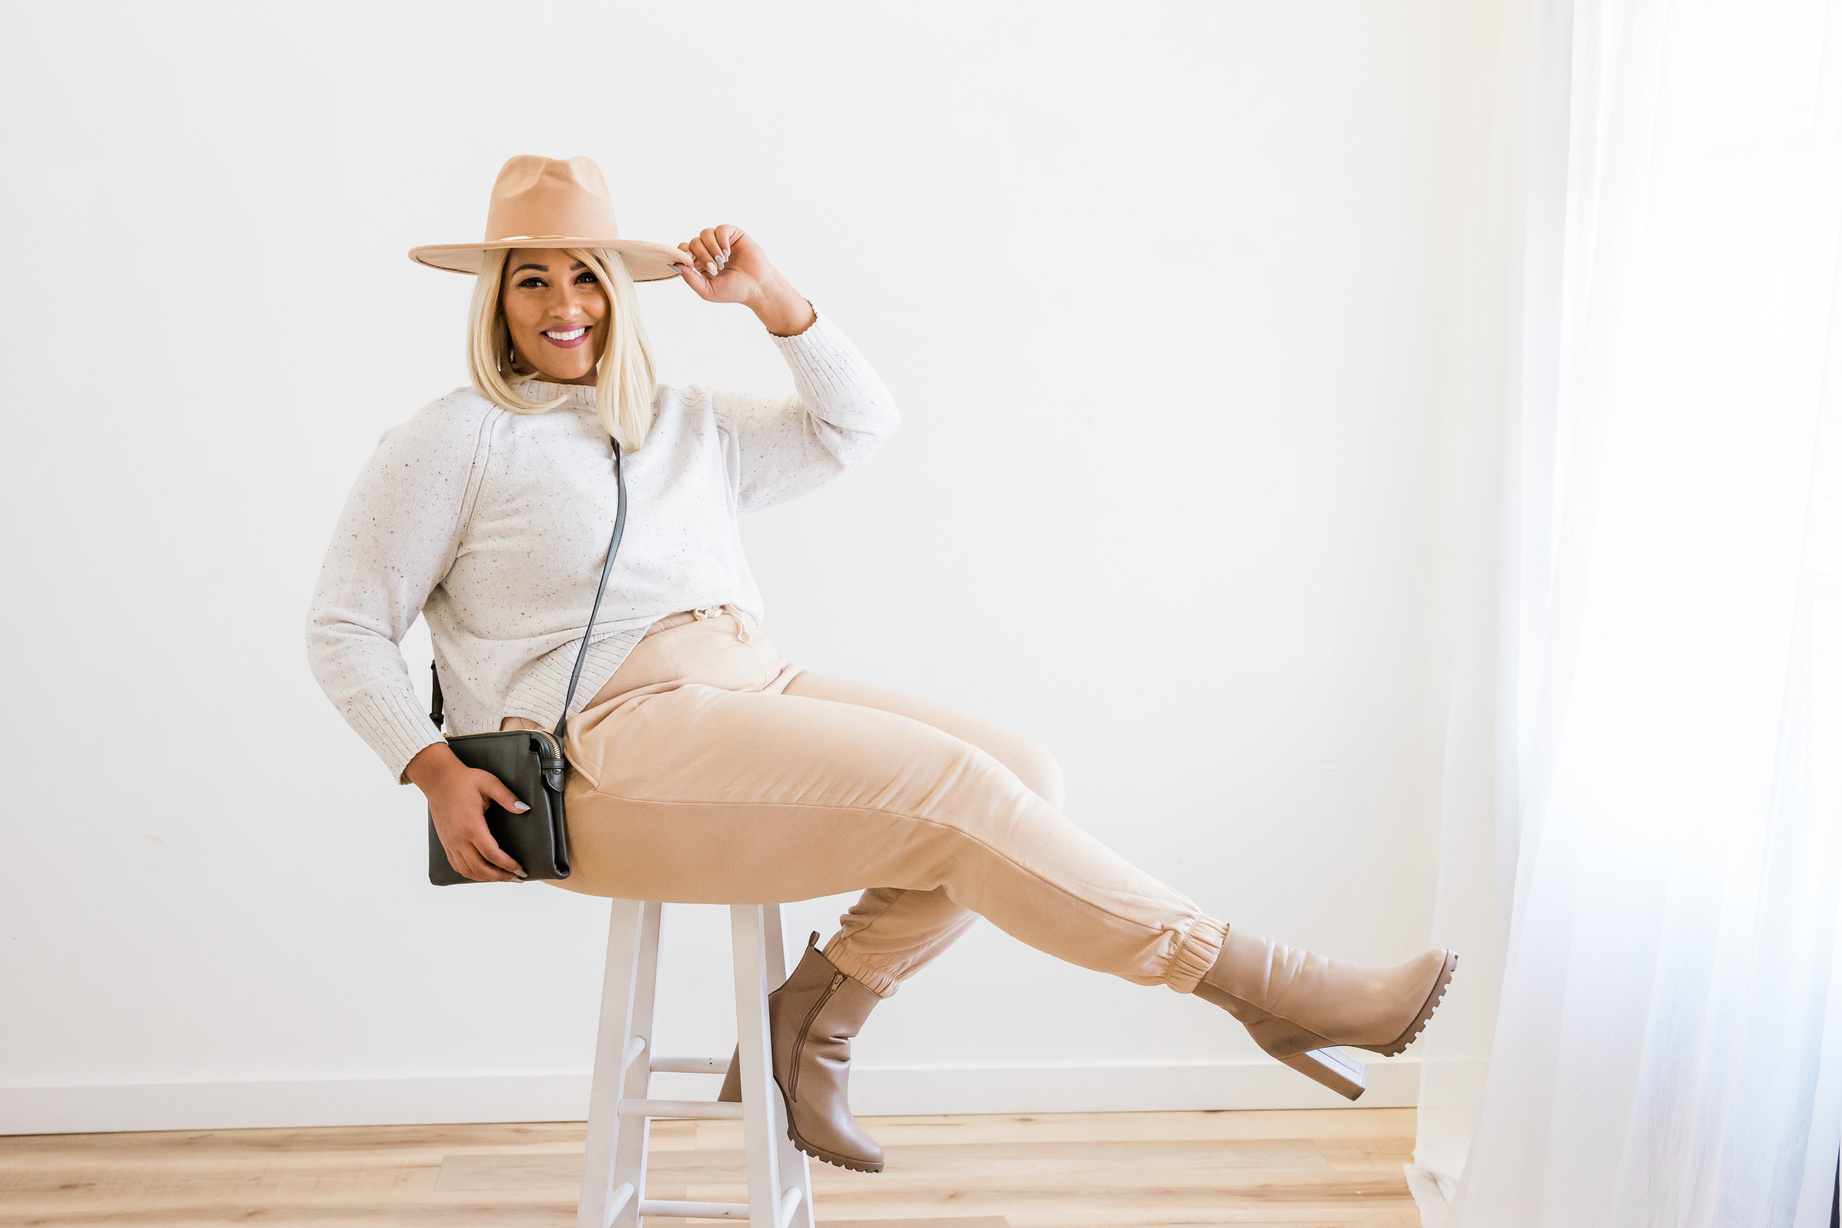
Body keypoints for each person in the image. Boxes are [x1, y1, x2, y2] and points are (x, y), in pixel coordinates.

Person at [305, 155, 1456, 1174]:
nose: (566, 305)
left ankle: (815, 1027)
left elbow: (857, 426)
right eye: (533, 279)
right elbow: (345, 625)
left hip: (747, 680)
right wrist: (429, 767)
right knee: (954, 798)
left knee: (1019, 768)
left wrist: (772, 298)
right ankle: (1264, 981)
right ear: (494, 300)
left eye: (588, 275)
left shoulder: (682, 419)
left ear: (621, 289)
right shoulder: (455, 438)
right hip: (611, 741)